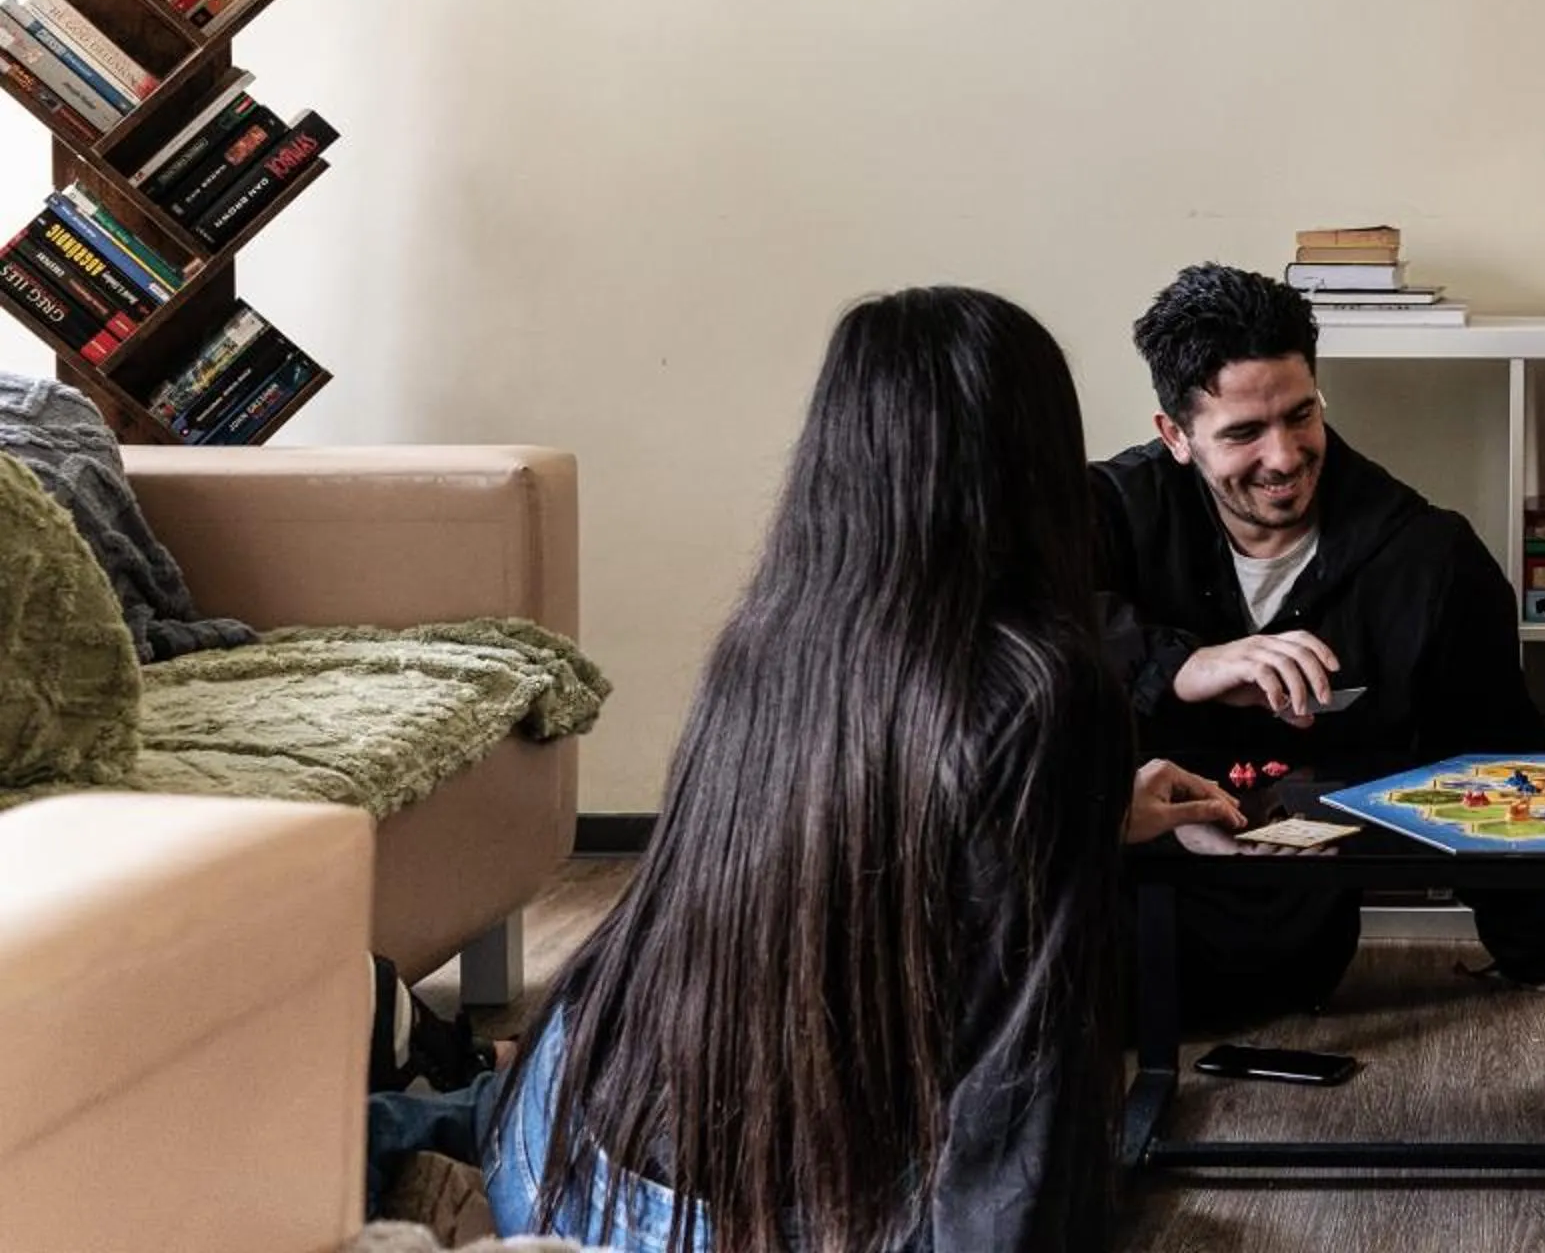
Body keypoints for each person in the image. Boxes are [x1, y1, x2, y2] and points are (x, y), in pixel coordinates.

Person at [363, 286, 1245, 1253]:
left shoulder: (777, 633)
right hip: (703, 1225)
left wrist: (1086, 814)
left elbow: (868, 839)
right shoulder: (1043, 682)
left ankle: (412, 1137)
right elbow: (1022, 1079)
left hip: (560, 1139)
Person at [1097, 262, 1545, 1016]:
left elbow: (1495, 755)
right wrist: (1181, 665)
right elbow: (998, 640)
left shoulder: (1430, 558)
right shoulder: (1106, 512)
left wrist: (1536, 950)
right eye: (1244, 433)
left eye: (1301, 416)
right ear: (1176, 437)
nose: (1284, 457)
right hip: (1096, 881)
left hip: (1277, 932)